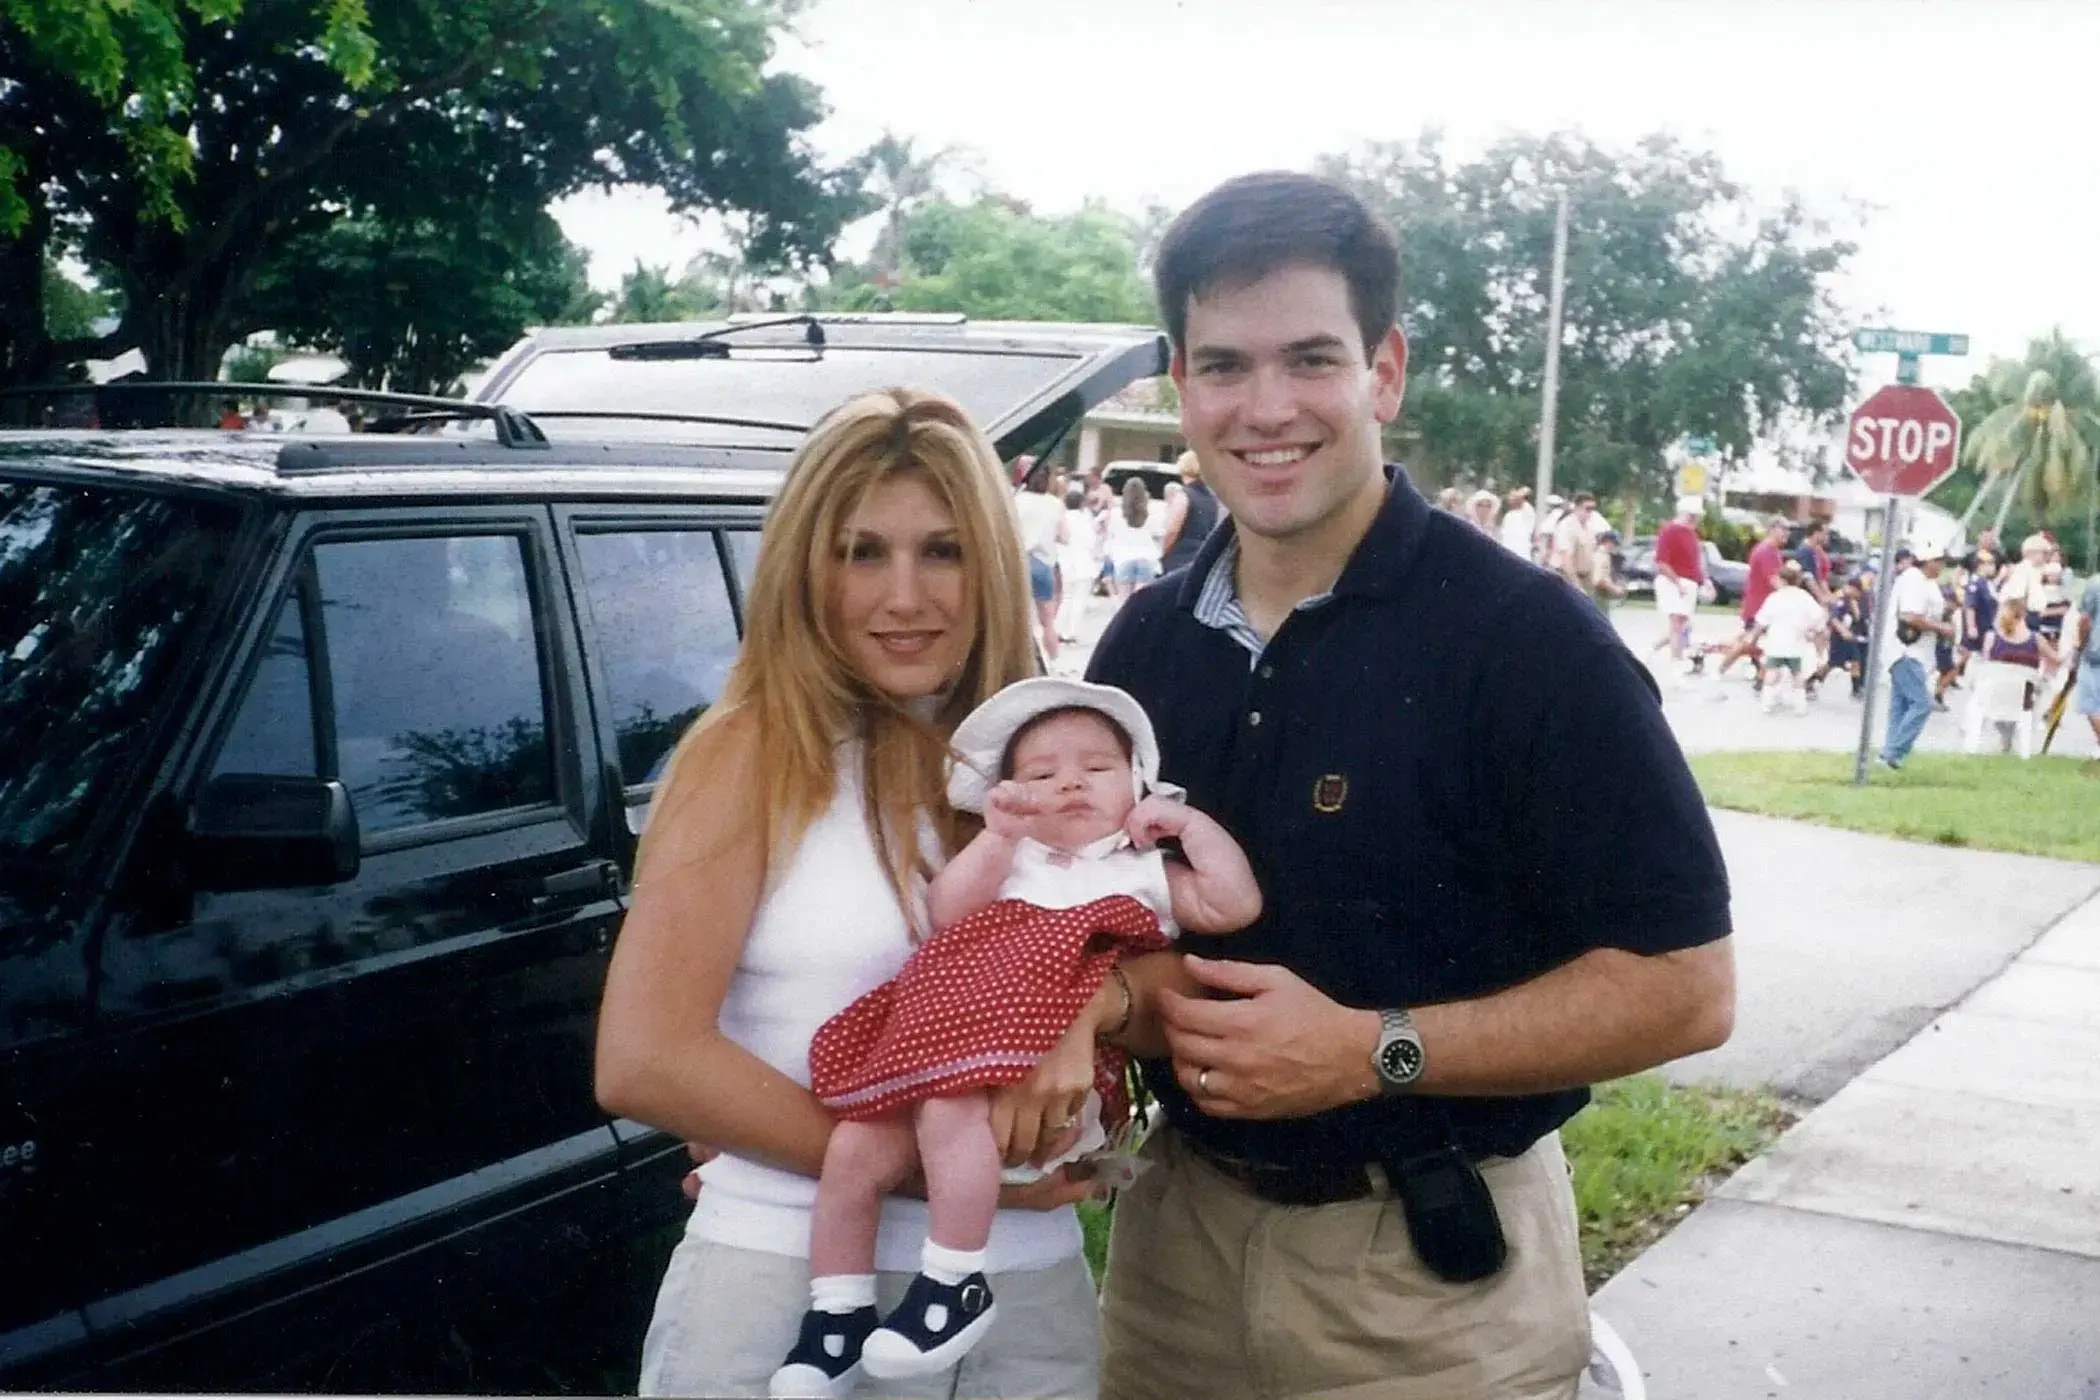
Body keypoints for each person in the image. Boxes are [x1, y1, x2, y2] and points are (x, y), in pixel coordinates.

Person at [1086, 170, 1735, 1400]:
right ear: (1182, 383)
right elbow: (1110, 917)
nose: (1265, 406)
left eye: (1309, 358)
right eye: (1224, 364)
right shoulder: (1143, 649)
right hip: (1175, 1254)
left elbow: (1687, 988)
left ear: (1385, 369)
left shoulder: (1528, 641)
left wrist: (1367, 1049)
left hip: (1433, 1290)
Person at [594, 388, 1109, 1399]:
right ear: (803, 565)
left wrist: (1092, 1029)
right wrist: (931, 1170)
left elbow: (1144, 950)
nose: (905, 595)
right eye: (862, 551)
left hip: (1028, 1303)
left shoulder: (1051, 755)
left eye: (945, 550)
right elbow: (646, 1058)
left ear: (996, 566)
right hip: (786, 1293)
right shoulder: (749, 753)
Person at [776, 678, 1261, 1392]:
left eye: (1097, 768)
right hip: (946, 1051)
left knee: (947, 1109)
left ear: (1140, 786)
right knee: (853, 1149)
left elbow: (1233, 903)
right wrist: (999, 838)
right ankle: (837, 1313)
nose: (1069, 781)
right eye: (1040, 774)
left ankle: (952, 1282)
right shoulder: (1014, 862)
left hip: (1043, 1077)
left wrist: (1188, 828)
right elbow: (948, 911)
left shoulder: (1144, 874)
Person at [1877, 546, 1954, 771]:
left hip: (1917, 652)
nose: (1942, 566)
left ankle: (1888, 755)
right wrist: (1941, 628)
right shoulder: (1913, 579)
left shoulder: (1927, 583)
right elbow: (1909, 615)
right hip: (1905, 650)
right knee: (1921, 703)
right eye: (1939, 561)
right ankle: (1894, 752)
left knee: (1900, 706)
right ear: (1927, 560)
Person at [1013, 458, 1068, 664]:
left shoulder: (1017, 500)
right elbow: (1065, 537)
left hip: (1019, 562)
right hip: (1044, 564)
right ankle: (1054, 662)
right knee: (1047, 622)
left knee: (1018, 617)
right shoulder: (1055, 504)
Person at [1751, 561, 1824, 715]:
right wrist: (1815, 633)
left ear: (1782, 580)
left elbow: (1761, 622)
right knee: (1797, 673)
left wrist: (1753, 640)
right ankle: (1800, 705)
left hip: (1777, 642)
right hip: (1796, 642)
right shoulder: (1804, 597)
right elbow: (1819, 618)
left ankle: (1767, 703)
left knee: (1773, 671)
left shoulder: (1774, 598)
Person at [1650, 497, 1707, 676]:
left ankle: (1652, 650)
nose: (1696, 520)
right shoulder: (1669, 531)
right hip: (1672, 582)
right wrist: (1677, 582)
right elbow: (1662, 562)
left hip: (1688, 583)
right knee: (1677, 621)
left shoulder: (1691, 534)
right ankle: (1676, 662)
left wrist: (1705, 581)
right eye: (1693, 516)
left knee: (1682, 625)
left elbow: (1695, 563)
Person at [1159, 449, 1224, 575]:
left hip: (1178, 558)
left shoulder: (1183, 495)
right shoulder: (1210, 499)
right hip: (1199, 557)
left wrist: (1163, 553)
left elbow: (1172, 530)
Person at [1053, 484, 1099, 647]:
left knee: (1066, 597)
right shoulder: (1085, 519)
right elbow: (1092, 542)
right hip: (1084, 563)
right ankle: (1071, 632)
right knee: (1079, 600)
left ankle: (1058, 629)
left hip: (1067, 563)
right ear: (1081, 503)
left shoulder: (1063, 519)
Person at [1103, 478, 1162, 598]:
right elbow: (1159, 535)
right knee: (1140, 602)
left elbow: (1110, 539)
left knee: (1124, 603)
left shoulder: (1116, 513)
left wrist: (1107, 565)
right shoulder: (1153, 513)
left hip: (1123, 559)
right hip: (1147, 559)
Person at [1548, 491, 1600, 598]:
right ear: (1577, 508)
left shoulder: (1589, 527)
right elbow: (1567, 558)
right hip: (1565, 576)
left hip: (1584, 577)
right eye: (1587, 509)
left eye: (1592, 509)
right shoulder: (1567, 526)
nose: (1590, 513)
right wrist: (1577, 585)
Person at [2073, 570, 2100, 767]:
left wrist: (2079, 646)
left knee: (2091, 703)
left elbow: (2084, 620)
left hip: (2095, 652)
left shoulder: (2095, 584)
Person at [1498, 486, 1536, 559]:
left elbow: (1526, 491)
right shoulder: (1508, 515)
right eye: (1510, 496)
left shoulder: (1528, 512)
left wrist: (1518, 494)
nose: (1510, 498)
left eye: (1513, 497)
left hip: (1522, 555)